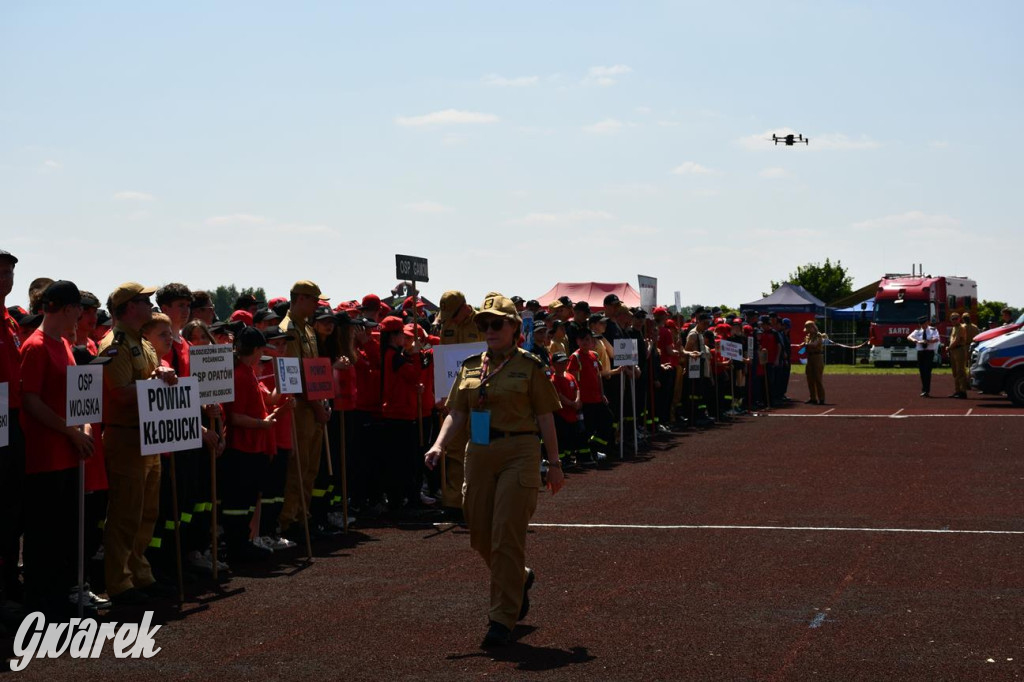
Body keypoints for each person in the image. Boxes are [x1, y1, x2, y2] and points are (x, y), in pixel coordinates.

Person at [424, 293, 563, 647]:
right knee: (479, 532)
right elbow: (458, 411)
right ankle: (520, 578)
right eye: (484, 324)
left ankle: (502, 618)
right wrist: (439, 444)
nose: (489, 329)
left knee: (505, 534)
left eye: (496, 323)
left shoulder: (529, 366)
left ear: (514, 327)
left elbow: (546, 415)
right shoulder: (471, 365)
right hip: (479, 453)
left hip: (519, 450)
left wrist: (556, 464)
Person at [98, 282, 179, 605]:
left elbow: (150, 375)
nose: (151, 305)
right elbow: (118, 393)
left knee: (147, 513)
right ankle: (120, 583)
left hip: (148, 436)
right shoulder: (114, 345)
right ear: (129, 307)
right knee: (126, 514)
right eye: (145, 300)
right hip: (126, 437)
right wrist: (154, 381)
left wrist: (164, 372)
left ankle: (140, 574)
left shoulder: (141, 341)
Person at [19, 280, 95, 618]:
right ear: (66, 309)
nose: (81, 314)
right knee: (44, 535)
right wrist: (70, 431)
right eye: (78, 308)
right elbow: (30, 400)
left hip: (68, 451)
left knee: (64, 532)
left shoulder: (62, 344)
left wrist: (85, 427)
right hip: (46, 456)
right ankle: (42, 604)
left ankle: (59, 598)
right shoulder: (35, 346)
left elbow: (79, 397)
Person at [0, 249, 26, 607]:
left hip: (13, 422)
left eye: (9, 272)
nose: (6, 278)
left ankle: (8, 582)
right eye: (0, 271)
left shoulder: (10, 321)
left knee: (11, 509)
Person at [907, 317, 939, 397]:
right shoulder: (917, 331)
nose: (923, 326)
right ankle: (924, 389)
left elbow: (936, 339)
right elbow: (909, 337)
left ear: (927, 323)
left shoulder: (933, 330)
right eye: (921, 324)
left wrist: (928, 341)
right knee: (922, 371)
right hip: (921, 353)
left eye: (924, 324)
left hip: (929, 352)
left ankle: (926, 390)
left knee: (927, 371)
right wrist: (914, 340)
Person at [800, 320, 827, 405]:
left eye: (808, 328)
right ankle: (812, 398)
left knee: (818, 378)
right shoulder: (807, 336)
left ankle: (821, 398)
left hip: (817, 357)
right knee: (810, 378)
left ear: (812, 328)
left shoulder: (819, 336)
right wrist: (801, 349)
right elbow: (804, 349)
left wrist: (805, 344)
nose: (807, 330)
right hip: (810, 357)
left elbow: (815, 344)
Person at [946, 313, 968, 399]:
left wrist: (949, 348)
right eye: (952, 319)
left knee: (961, 371)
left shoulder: (961, 327)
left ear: (959, 319)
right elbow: (952, 340)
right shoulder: (954, 328)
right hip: (954, 350)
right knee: (955, 372)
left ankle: (963, 391)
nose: (954, 320)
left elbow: (957, 340)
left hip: (959, 350)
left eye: (956, 318)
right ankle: (957, 391)